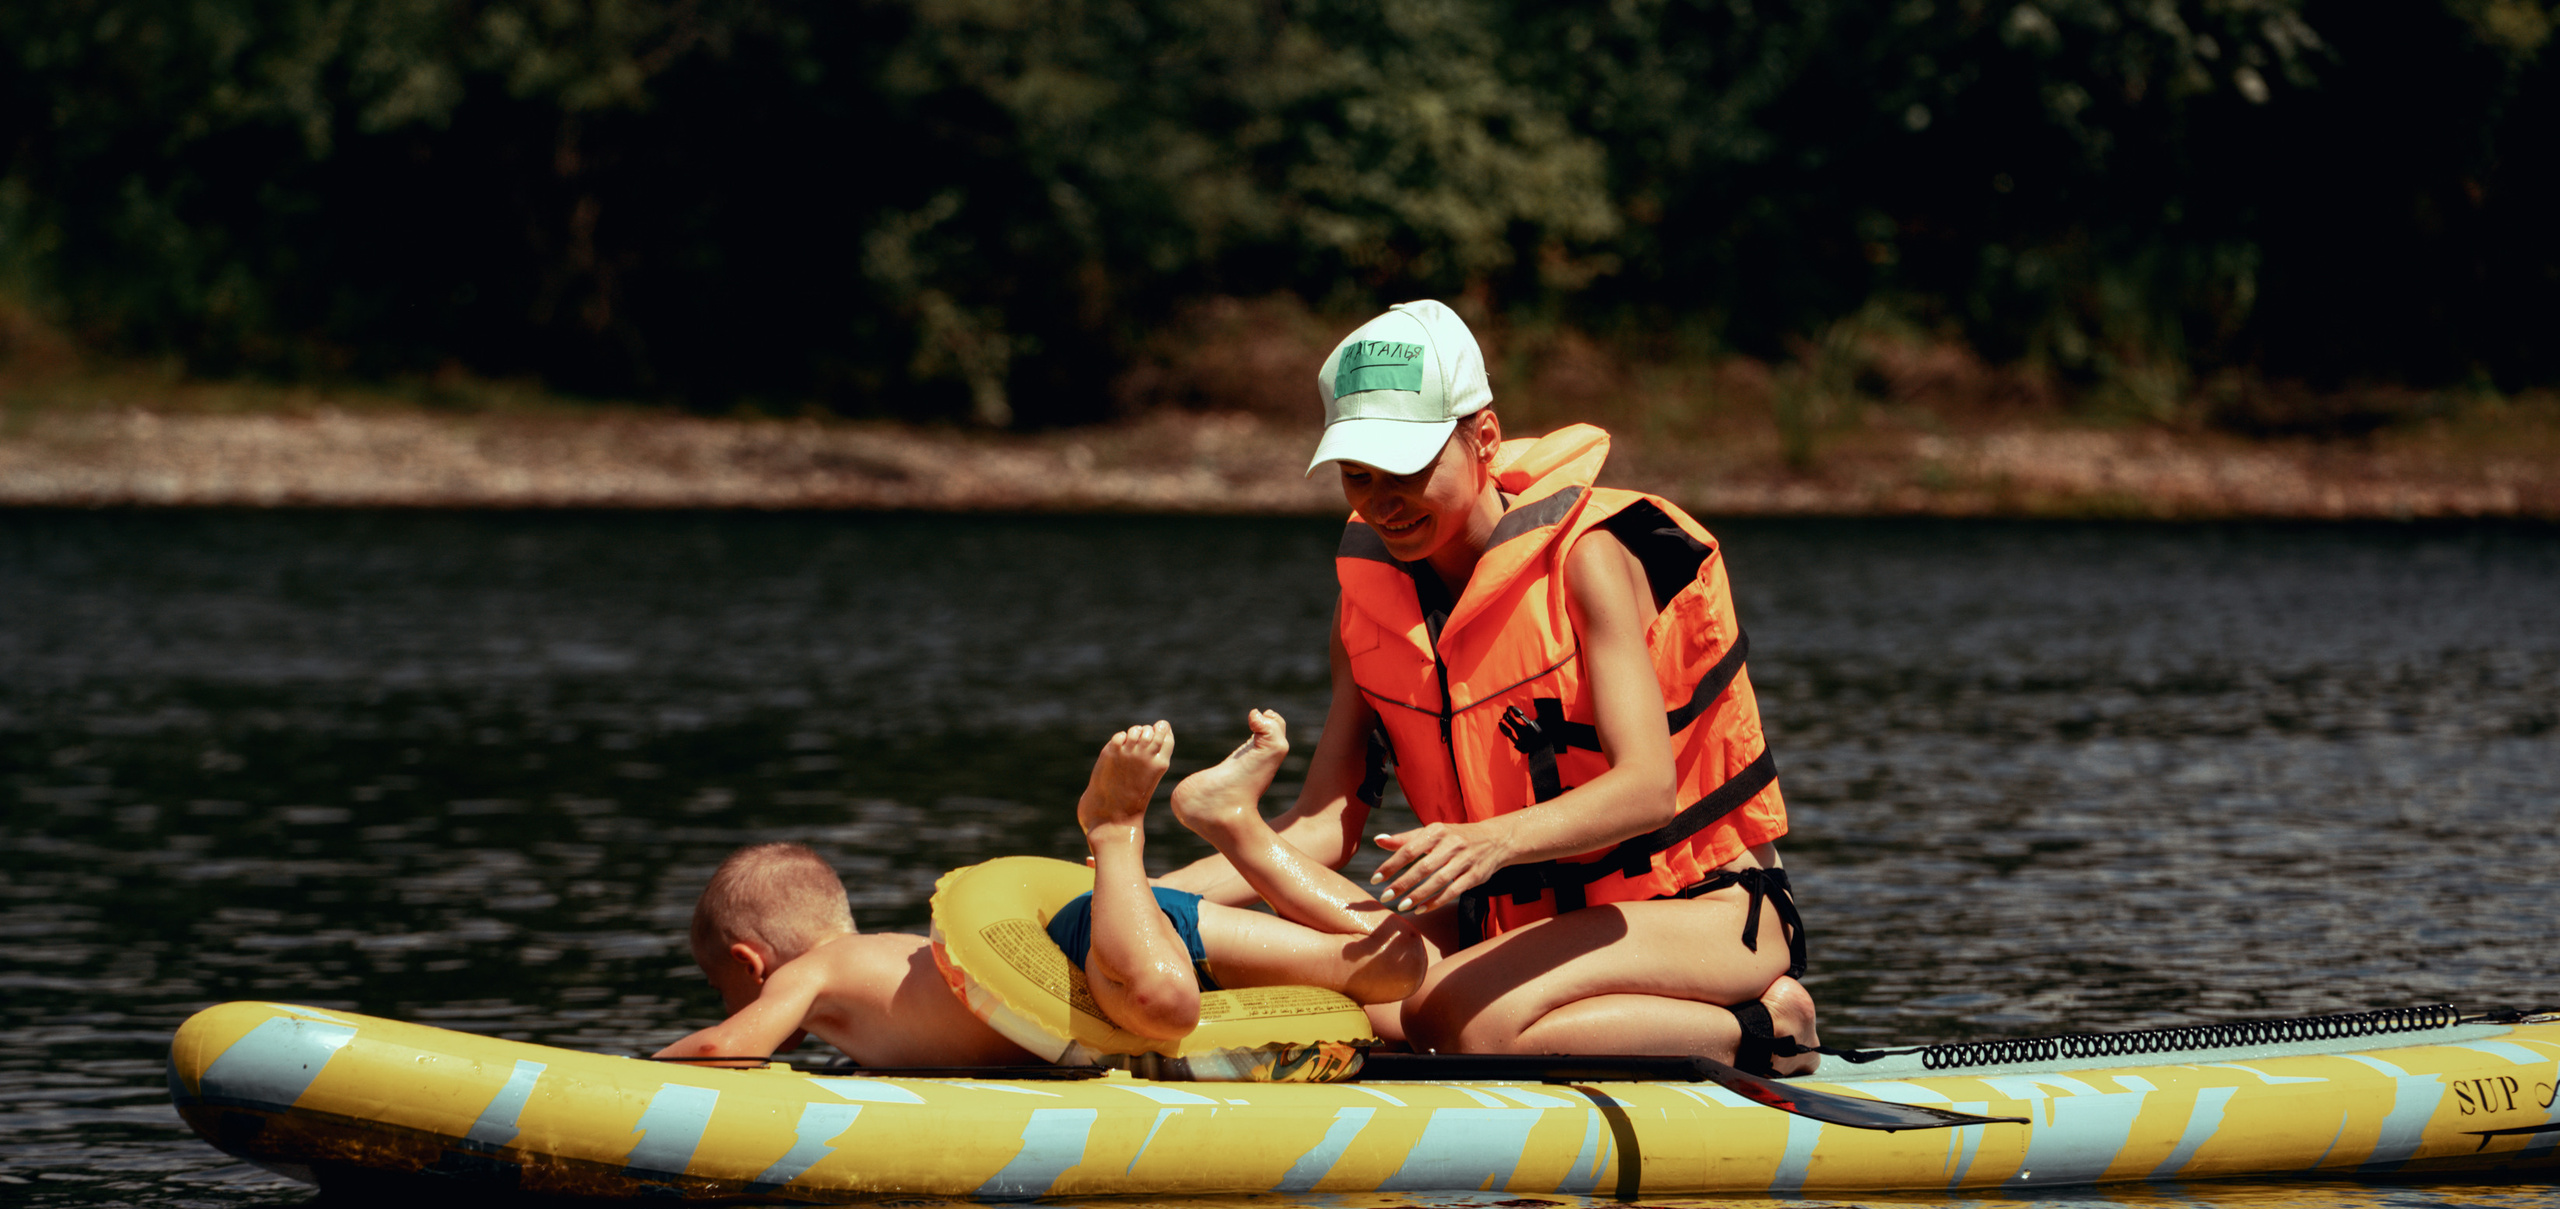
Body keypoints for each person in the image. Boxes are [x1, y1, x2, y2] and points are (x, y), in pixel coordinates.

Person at [1157, 299, 1822, 1074]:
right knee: (1328, 982)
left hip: (1699, 911)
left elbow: (1647, 791)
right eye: (1358, 475)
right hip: (1510, 919)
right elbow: (1320, 827)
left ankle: (1763, 1025)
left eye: (1408, 468)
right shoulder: (1367, 604)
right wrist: (1140, 896)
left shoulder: (1588, 560)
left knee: (1455, 1021)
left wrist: (1491, 840)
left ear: (1484, 439)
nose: (1381, 500)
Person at [656, 721, 1431, 1063]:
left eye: (723, 986)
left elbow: (729, 1050)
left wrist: (626, 1075)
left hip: (1093, 945)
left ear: (749, 962)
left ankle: (1114, 826)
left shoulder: (808, 976)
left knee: (1164, 1002)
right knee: (1397, 971)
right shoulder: (875, 963)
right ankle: (1231, 820)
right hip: (1114, 930)